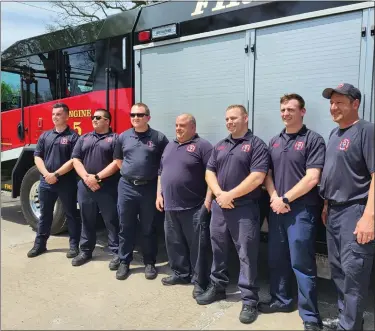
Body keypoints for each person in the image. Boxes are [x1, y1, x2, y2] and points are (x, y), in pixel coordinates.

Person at [195, 105, 269, 325]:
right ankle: (218, 287)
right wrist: (219, 194)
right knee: (217, 248)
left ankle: (249, 299)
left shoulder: (256, 145)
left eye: (234, 118)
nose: (229, 122)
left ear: (245, 118)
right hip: (220, 207)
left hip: (244, 207)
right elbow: (209, 172)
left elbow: (258, 177)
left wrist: (230, 196)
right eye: (227, 118)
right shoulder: (220, 145)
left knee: (246, 253)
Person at [260, 94, 326, 331]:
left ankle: (310, 316)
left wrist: (286, 198)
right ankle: (282, 300)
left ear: (302, 112)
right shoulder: (275, 140)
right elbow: (266, 174)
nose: (285, 113)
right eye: (282, 109)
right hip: (277, 207)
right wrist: (275, 197)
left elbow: (313, 178)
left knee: (302, 263)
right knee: (277, 259)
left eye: (290, 109)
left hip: (301, 210)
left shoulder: (313, 140)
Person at [319, 83, 374, 331]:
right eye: (332, 102)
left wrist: (369, 217)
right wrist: (326, 205)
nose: (334, 107)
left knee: (354, 275)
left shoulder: (367, 131)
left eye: (340, 102)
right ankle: (348, 322)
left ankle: (349, 327)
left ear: (355, 104)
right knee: (339, 272)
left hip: (355, 211)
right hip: (334, 212)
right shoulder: (334, 134)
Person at [156, 114, 213, 298]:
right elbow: (161, 172)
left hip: (194, 207)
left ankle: (200, 281)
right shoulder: (170, 145)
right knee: (174, 243)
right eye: (176, 125)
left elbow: (212, 175)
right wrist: (159, 194)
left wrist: (207, 201)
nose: (178, 128)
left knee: (198, 247)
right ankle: (181, 274)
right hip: (170, 206)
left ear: (193, 128)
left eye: (182, 125)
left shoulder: (203, 146)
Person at [114, 102, 169, 280]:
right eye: (132, 115)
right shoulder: (123, 137)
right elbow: (118, 160)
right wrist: (131, 174)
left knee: (148, 227)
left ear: (148, 117)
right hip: (127, 187)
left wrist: (158, 189)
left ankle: (149, 263)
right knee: (125, 226)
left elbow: (164, 164)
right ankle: (124, 261)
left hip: (149, 188)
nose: (135, 118)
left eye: (139, 115)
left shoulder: (159, 138)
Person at [27, 103, 81, 259]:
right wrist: (46, 174)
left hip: (66, 182)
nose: (55, 117)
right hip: (45, 182)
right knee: (45, 215)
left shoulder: (73, 137)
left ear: (66, 116)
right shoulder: (45, 136)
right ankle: (40, 245)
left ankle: (73, 246)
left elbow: (74, 160)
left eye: (58, 114)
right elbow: (37, 156)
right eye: (53, 114)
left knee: (71, 214)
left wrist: (55, 175)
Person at [71, 109, 120, 269]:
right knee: (87, 218)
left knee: (111, 220)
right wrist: (86, 177)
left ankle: (117, 253)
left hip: (107, 187)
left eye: (98, 117)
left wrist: (97, 177)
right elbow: (76, 159)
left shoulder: (115, 139)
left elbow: (117, 162)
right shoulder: (84, 137)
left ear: (107, 121)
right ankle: (85, 251)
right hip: (85, 186)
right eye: (93, 117)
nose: (94, 119)